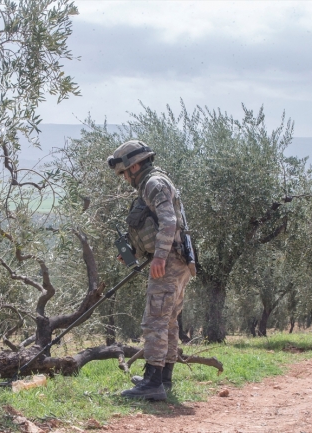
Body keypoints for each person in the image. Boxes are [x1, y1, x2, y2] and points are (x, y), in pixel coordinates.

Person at [107, 140, 195, 401]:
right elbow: (158, 223)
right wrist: (136, 252)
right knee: (167, 321)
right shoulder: (152, 183)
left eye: (124, 172)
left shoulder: (153, 183)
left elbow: (169, 222)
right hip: (176, 261)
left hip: (168, 263)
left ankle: (152, 382)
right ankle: (162, 378)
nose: (124, 178)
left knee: (155, 320)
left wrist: (158, 257)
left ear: (134, 166)